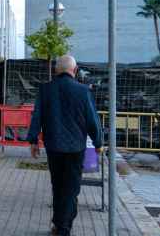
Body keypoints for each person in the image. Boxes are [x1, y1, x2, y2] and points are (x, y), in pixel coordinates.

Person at [27, 55, 103, 236]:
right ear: (75, 71)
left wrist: (33, 140)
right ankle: (63, 228)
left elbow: (37, 116)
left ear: (55, 70)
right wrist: (98, 142)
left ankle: (59, 224)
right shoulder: (83, 91)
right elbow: (93, 120)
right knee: (71, 189)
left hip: (53, 146)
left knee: (58, 185)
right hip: (76, 148)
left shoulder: (45, 90)